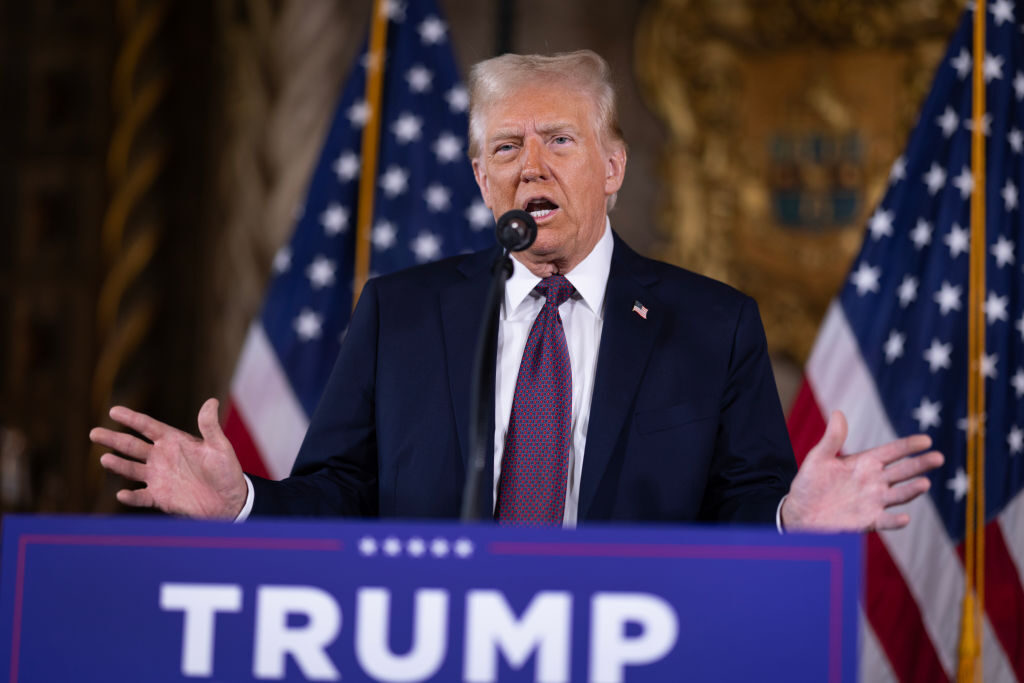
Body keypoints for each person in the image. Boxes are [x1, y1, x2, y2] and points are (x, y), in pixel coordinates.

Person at [90, 50, 942, 531]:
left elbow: (742, 508)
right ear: (478, 175)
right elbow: (336, 494)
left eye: (559, 140)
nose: (529, 165)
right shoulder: (401, 313)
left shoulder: (712, 324)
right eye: (504, 148)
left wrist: (796, 516)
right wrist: (241, 501)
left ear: (612, 167)